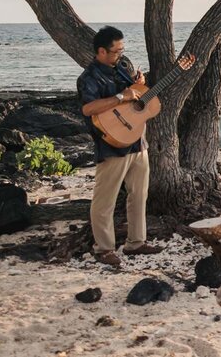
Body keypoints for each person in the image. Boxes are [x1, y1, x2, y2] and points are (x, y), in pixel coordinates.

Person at [77, 26, 163, 266]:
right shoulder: (89, 77)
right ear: (101, 51)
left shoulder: (122, 69)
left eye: (122, 50)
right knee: (105, 200)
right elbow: (88, 109)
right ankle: (103, 248)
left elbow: (134, 96)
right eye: (116, 51)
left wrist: (139, 86)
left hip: (137, 142)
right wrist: (120, 97)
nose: (120, 55)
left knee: (139, 195)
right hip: (111, 145)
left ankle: (136, 242)